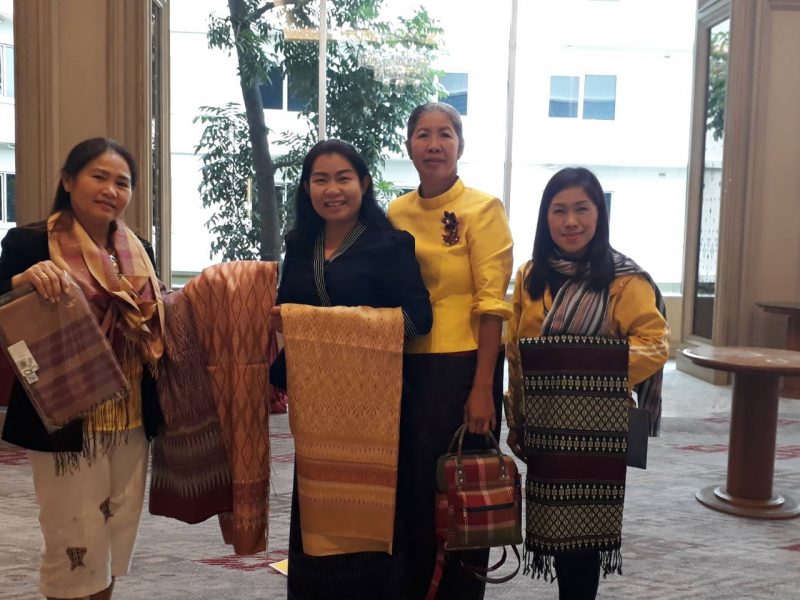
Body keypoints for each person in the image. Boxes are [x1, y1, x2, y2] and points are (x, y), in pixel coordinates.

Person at [0, 138, 164, 600]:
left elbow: (155, 318)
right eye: (99, 176)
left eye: (122, 182)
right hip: (66, 416)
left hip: (130, 414)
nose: (111, 190)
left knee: (111, 536)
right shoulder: (31, 242)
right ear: (69, 181)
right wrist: (21, 280)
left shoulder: (139, 250)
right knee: (72, 543)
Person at [268, 139, 432, 599]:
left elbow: (418, 319)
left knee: (372, 520)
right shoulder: (299, 244)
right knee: (317, 510)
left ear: (364, 183)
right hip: (317, 408)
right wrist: (285, 324)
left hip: (377, 409)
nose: (332, 189)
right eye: (320, 179)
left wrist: (321, 323)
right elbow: (289, 308)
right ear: (307, 188)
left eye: (343, 178)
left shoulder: (391, 244)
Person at [504, 167, 669, 600]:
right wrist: (515, 418)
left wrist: (580, 368)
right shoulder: (529, 275)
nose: (571, 221)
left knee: (584, 533)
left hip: (595, 425)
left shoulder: (624, 279)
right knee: (551, 523)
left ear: (599, 214)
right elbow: (516, 353)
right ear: (546, 217)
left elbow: (655, 344)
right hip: (543, 422)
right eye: (559, 210)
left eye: (582, 209)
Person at [387, 102, 514, 600]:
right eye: (423, 134)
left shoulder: (484, 209)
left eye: (445, 134)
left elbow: (492, 304)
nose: (434, 144)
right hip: (407, 368)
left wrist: (483, 387)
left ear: (460, 145)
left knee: (460, 493)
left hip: (465, 368)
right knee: (414, 494)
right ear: (409, 146)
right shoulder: (396, 213)